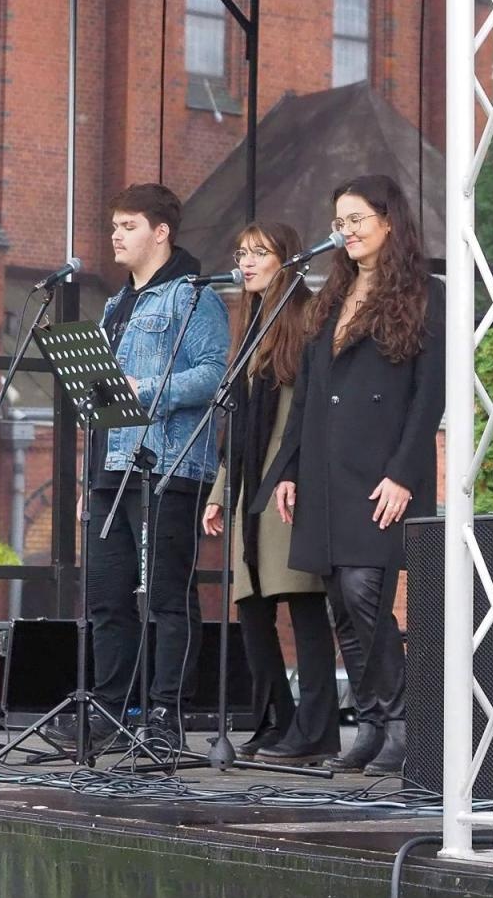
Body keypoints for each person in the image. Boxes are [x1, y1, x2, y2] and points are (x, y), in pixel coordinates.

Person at [259, 174, 446, 776]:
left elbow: (429, 398)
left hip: (380, 473)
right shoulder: (329, 298)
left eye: (358, 219)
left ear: (389, 221)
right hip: (323, 468)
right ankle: (369, 722)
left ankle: (401, 721)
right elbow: (308, 395)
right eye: (340, 222)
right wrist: (288, 469)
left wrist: (403, 476)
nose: (347, 231)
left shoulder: (424, 294)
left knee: (367, 591)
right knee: (339, 600)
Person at [54, 183, 229, 753]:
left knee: (165, 597)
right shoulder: (114, 306)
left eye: (128, 225)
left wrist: (148, 387)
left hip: (167, 465)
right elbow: (103, 399)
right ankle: (108, 711)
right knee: (106, 597)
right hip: (112, 468)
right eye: (114, 226)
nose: (115, 235)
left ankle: (164, 715)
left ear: (161, 232)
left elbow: (214, 373)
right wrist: (90, 475)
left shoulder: (191, 296)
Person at [202, 222, 340, 763]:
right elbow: (235, 426)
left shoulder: (305, 319)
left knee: (303, 604)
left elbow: (301, 416)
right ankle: (276, 720)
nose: (248, 261)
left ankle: (316, 729)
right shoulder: (252, 326)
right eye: (242, 252)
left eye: (260, 252)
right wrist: (219, 492)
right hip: (248, 486)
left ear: (286, 257)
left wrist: (292, 474)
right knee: (251, 608)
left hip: (288, 483)